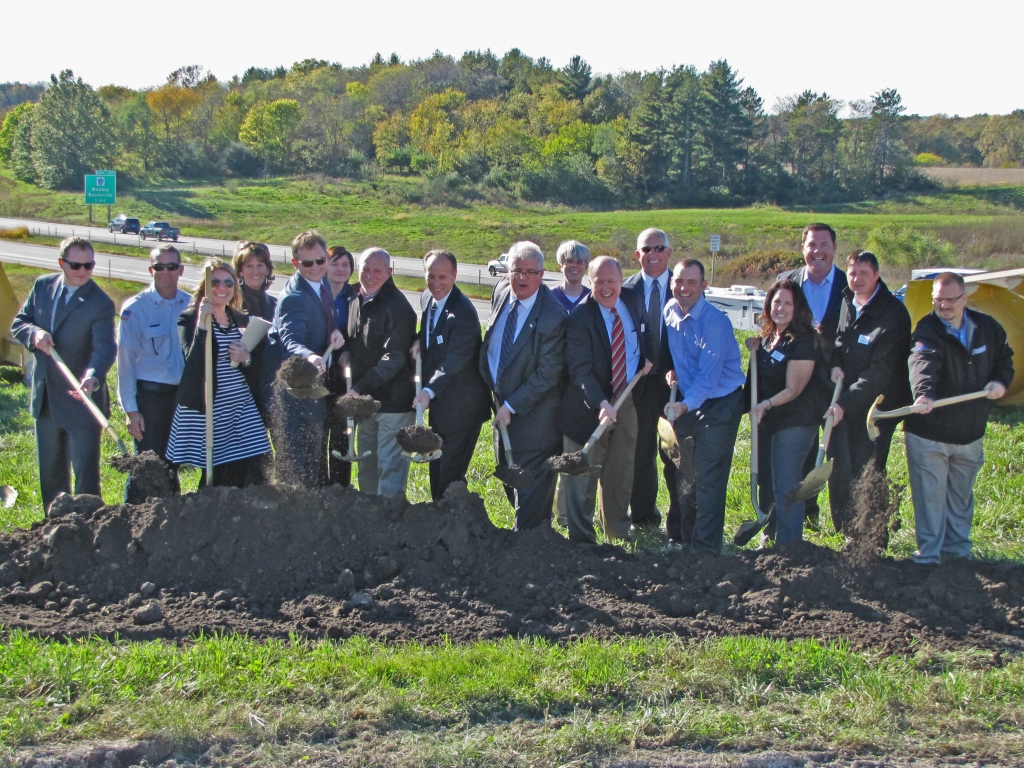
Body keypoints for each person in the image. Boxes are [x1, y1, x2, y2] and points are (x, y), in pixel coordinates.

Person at [904, 272, 1014, 565]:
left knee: (960, 500)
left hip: (969, 433)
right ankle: (929, 558)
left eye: (950, 300)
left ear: (965, 299)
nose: (943, 306)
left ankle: (957, 556)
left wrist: (1000, 382)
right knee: (930, 500)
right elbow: (922, 361)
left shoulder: (988, 328)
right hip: (930, 434)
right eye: (937, 299)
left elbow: (1005, 360)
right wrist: (924, 395)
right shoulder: (926, 330)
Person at [11, 236, 116, 513]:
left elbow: (104, 347)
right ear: (61, 263)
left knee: (85, 475)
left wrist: (93, 376)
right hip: (46, 397)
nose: (82, 271)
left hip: (81, 398)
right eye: (75, 265)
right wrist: (35, 334)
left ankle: (88, 528)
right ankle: (54, 529)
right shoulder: (43, 286)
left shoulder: (100, 303)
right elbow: (20, 323)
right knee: (51, 471)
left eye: (89, 265)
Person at [556, 256, 651, 543]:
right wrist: (601, 402)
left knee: (621, 470)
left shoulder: (633, 300)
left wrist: (645, 361)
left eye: (612, 282)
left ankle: (617, 533)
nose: (606, 288)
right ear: (590, 282)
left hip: (627, 398)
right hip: (589, 405)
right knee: (583, 473)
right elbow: (580, 370)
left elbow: (642, 337)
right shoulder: (580, 319)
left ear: (622, 281)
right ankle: (581, 539)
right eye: (599, 283)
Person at [479, 241, 566, 530]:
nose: (522, 278)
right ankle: (534, 536)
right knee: (511, 484)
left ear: (542, 274)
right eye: (516, 270)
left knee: (529, 505)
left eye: (531, 272)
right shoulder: (502, 292)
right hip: (501, 414)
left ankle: (531, 550)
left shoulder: (553, 316)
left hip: (535, 424)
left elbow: (548, 374)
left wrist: (512, 405)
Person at [824, 250, 912, 534]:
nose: (857, 279)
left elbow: (880, 372)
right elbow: (840, 339)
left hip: (876, 407)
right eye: (852, 273)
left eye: (864, 273)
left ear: (877, 275)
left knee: (868, 467)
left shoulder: (894, 315)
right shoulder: (846, 300)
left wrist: (845, 403)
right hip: (845, 400)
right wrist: (836, 364)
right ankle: (845, 530)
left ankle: (870, 533)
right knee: (839, 465)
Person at [663, 259, 746, 553]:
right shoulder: (669, 312)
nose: (684, 288)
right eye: (679, 281)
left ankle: (706, 549)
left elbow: (709, 377)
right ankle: (686, 540)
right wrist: (672, 371)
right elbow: (679, 357)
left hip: (721, 402)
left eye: (691, 282)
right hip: (688, 398)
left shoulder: (715, 322)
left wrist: (685, 406)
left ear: (703, 286)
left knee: (709, 475)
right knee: (683, 471)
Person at [165, 259, 271, 486]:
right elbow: (193, 361)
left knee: (257, 458)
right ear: (205, 286)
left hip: (240, 404)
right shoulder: (189, 319)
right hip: (209, 406)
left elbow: (254, 363)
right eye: (215, 282)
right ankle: (208, 508)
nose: (222, 288)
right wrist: (203, 324)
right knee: (218, 467)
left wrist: (246, 357)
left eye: (228, 283)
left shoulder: (239, 318)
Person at [745, 279, 829, 546]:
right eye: (776, 301)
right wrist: (755, 349)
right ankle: (771, 535)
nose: (780, 307)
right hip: (768, 422)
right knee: (768, 483)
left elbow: (794, 388)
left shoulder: (805, 340)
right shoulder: (769, 338)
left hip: (795, 422)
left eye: (787, 303)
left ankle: (790, 546)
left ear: (798, 307)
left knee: (787, 483)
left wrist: (765, 404)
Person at [778, 223, 849, 529]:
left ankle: (844, 522)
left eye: (824, 245)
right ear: (802, 248)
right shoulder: (788, 282)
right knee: (800, 446)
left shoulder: (850, 285)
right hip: (799, 380)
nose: (817, 251)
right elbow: (774, 323)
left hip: (836, 380)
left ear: (834, 248)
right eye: (811, 245)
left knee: (837, 450)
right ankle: (805, 511)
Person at [263, 230, 344, 487]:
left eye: (320, 260)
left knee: (315, 459)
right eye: (307, 263)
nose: (315, 267)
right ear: (296, 263)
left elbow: (318, 321)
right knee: (297, 463)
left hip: (313, 389)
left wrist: (332, 332)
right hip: (294, 394)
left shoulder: (321, 286)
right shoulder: (294, 298)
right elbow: (290, 340)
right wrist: (310, 356)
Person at [413, 249, 491, 500]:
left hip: (463, 409)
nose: (436, 283)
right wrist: (418, 341)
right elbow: (432, 338)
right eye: (431, 276)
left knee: (450, 477)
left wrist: (428, 390)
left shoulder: (464, 314)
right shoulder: (427, 298)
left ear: (455, 275)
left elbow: (453, 362)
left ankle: (454, 528)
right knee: (436, 472)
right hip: (441, 408)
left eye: (443, 277)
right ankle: (438, 522)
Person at [116, 244, 190, 491]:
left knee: (172, 464)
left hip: (181, 398)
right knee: (146, 466)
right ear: (151, 270)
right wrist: (131, 410)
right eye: (159, 267)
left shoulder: (192, 306)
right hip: (150, 397)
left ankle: (167, 522)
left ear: (181, 270)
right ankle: (134, 519)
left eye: (171, 266)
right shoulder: (135, 309)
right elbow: (125, 362)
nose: (165, 272)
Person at [344, 247, 417, 499]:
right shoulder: (355, 298)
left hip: (393, 403)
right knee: (367, 464)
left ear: (389, 271)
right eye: (365, 269)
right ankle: (369, 518)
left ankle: (390, 522)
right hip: (366, 401)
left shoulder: (397, 307)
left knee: (390, 467)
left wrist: (360, 387)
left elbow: (394, 357)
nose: (370, 275)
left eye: (377, 270)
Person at [623, 228, 678, 532]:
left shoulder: (683, 286)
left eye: (659, 248)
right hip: (639, 387)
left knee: (676, 454)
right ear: (637, 254)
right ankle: (643, 518)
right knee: (640, 454)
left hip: (674, 386)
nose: (653, 255)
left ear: (669, 252)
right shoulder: (627, 290)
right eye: (646, 249)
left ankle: (680, 521)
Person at [323, 245, 357, 486]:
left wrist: (348, 351)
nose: (340, 269)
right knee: (318, 430)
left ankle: (340, 486)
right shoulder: (316, 293)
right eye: (335, 263)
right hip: (318, 370)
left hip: (343, 374)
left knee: (341, 432)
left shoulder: (354, 297)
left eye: (345, 264)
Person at [232, 240, 277, 322]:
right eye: (249, 266)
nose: (255, 272)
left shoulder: (275, 305)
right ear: (240, 271)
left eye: (260, 265)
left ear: (267, 269)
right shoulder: (232, 305)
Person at [550, 240, 592, 312]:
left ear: (586, 267)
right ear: (560, 265)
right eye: (569, 261)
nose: (574, 265)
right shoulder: (549, 296)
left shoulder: (592, 299)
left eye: (580, 262)